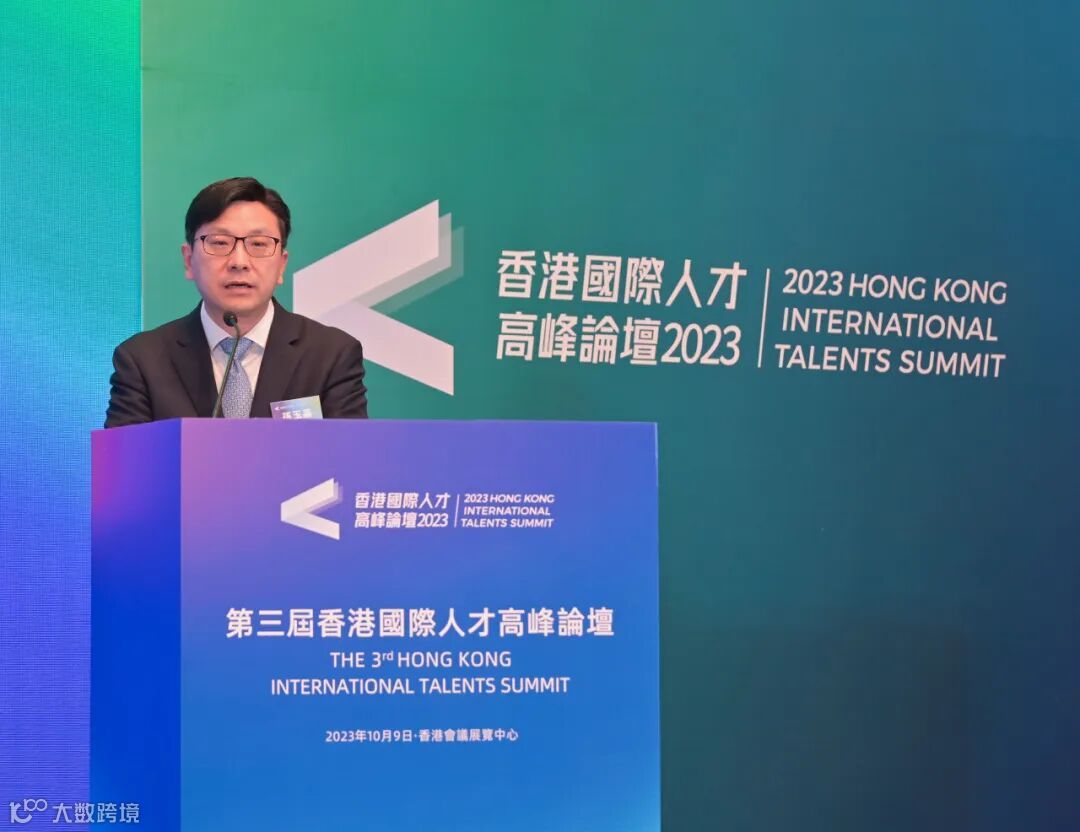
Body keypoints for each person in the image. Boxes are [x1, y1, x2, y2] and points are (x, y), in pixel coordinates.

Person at [105, 177, 367, 427]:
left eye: (259, 244)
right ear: (188, 261)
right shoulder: (142, 360)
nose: (239, 262)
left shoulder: (331, 355)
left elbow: (350, 454)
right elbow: (126, 458)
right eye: (220, 243)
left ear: (281, 265)